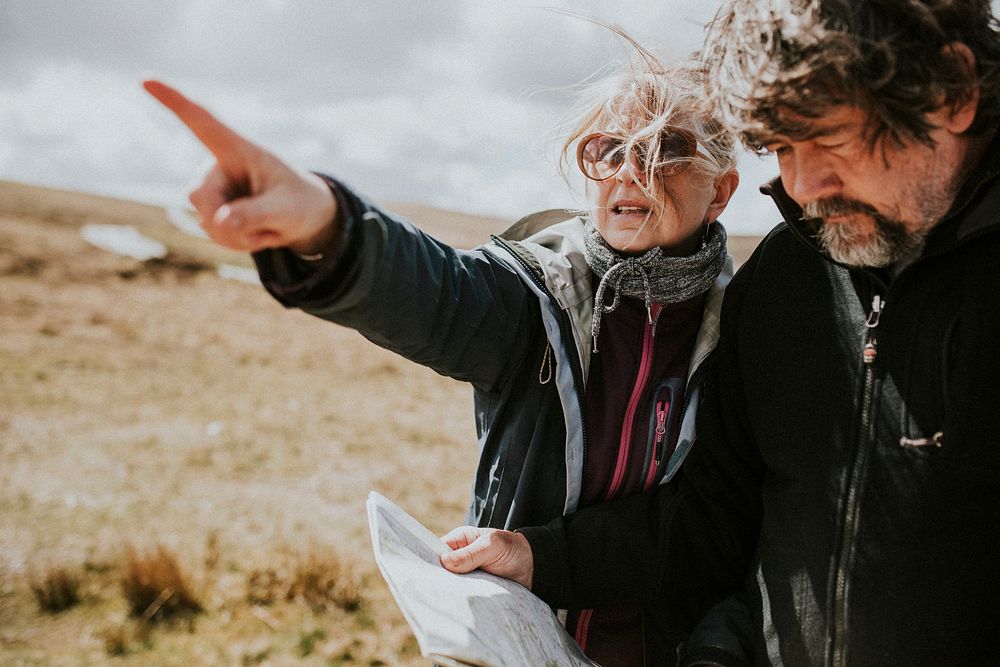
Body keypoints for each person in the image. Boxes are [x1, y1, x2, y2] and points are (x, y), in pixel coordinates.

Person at [439, 0, 1000, 664]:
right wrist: (540, 556)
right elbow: (718, 520)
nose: (801, 185)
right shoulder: (784, 281)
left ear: (953, 91)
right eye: (781, 147)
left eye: (827, 135)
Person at [144, 44, 741, 664]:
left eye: (665, 148)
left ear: (721, 193)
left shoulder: (743, 333)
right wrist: (325, 226)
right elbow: (436, 293)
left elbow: (717, 524)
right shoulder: (535, 300)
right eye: (605, 149)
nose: (627, 170)